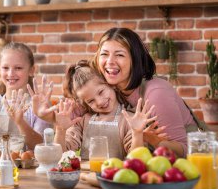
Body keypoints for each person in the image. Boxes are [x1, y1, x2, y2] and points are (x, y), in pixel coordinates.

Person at [93, 27, 208, 157]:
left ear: (135, 60)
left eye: (119, 55)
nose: (110, 61)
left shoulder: (156, 93)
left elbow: (185, 150)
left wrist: (150, 139)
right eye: (104, 54)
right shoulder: (113, 91)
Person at [52, 60, 162, 160]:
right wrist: (60, 130)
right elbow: (59, 155)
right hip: (86, 178)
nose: (99, 102)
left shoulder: (129, 120)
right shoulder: (82, 121)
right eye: (91, 101)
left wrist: (137, 133)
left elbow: (136, 160)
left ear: (111, 85)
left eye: (101, 92)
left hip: (115, 179)